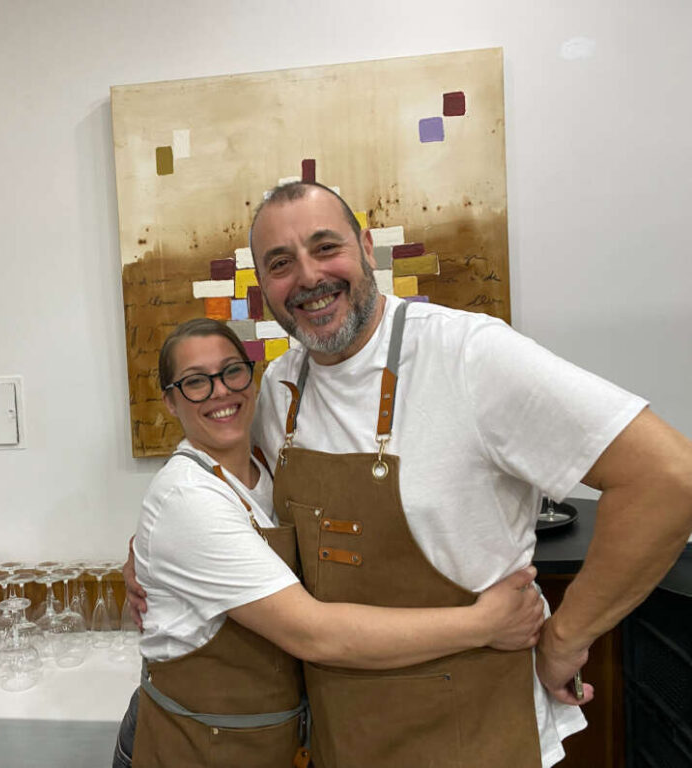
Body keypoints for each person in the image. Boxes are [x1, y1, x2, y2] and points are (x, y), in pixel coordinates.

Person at [125, 182, 692, 768]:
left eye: (326, 247)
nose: (309, 277)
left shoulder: (468, 355)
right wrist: (148, 550)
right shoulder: (281, 387)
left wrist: (567, 640)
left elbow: (669, 479)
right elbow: (227, 495)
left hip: (472, 732)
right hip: (342, 737)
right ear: (264, 286)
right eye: (281, 263)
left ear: (367, 248)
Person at [114, 317, 545, 768]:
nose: (220, 391)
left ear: (252, 378)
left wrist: (144, 549)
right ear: (170, 401)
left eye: (232, 372)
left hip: (268, 742)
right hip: (194, 745)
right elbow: (311, 633)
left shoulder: (264, 467)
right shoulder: (187, 498)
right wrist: (485, 624)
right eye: (195, 382)